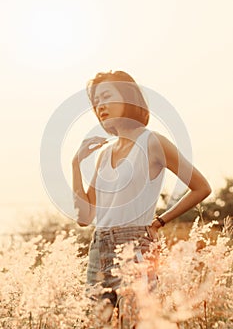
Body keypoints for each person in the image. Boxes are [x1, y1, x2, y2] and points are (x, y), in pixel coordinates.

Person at [72, 70, 212, 324]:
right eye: (95, 102)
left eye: (106, 97)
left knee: (134, 323)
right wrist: (75, 164)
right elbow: (84, 218)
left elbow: (201, 187)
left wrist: (160, 220)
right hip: (98, 249)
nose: (100, 106)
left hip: (136, 246)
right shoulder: (104, 155)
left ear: (128, 98)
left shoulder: (152, 142)